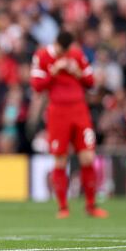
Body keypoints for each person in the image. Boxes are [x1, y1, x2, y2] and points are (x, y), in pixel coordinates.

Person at [30, 30, 108, 219]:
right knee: (60, 159)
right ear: (55, 44)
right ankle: (63, 207)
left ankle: (91, 206)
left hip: (80, 111)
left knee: (88, 157)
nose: (64, 53)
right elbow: (37, 85)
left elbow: (91, 82)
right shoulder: (42, 56)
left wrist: (78, 72)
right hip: (57, 112)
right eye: (61, 50)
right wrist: (53, 71)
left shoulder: (76, 54)